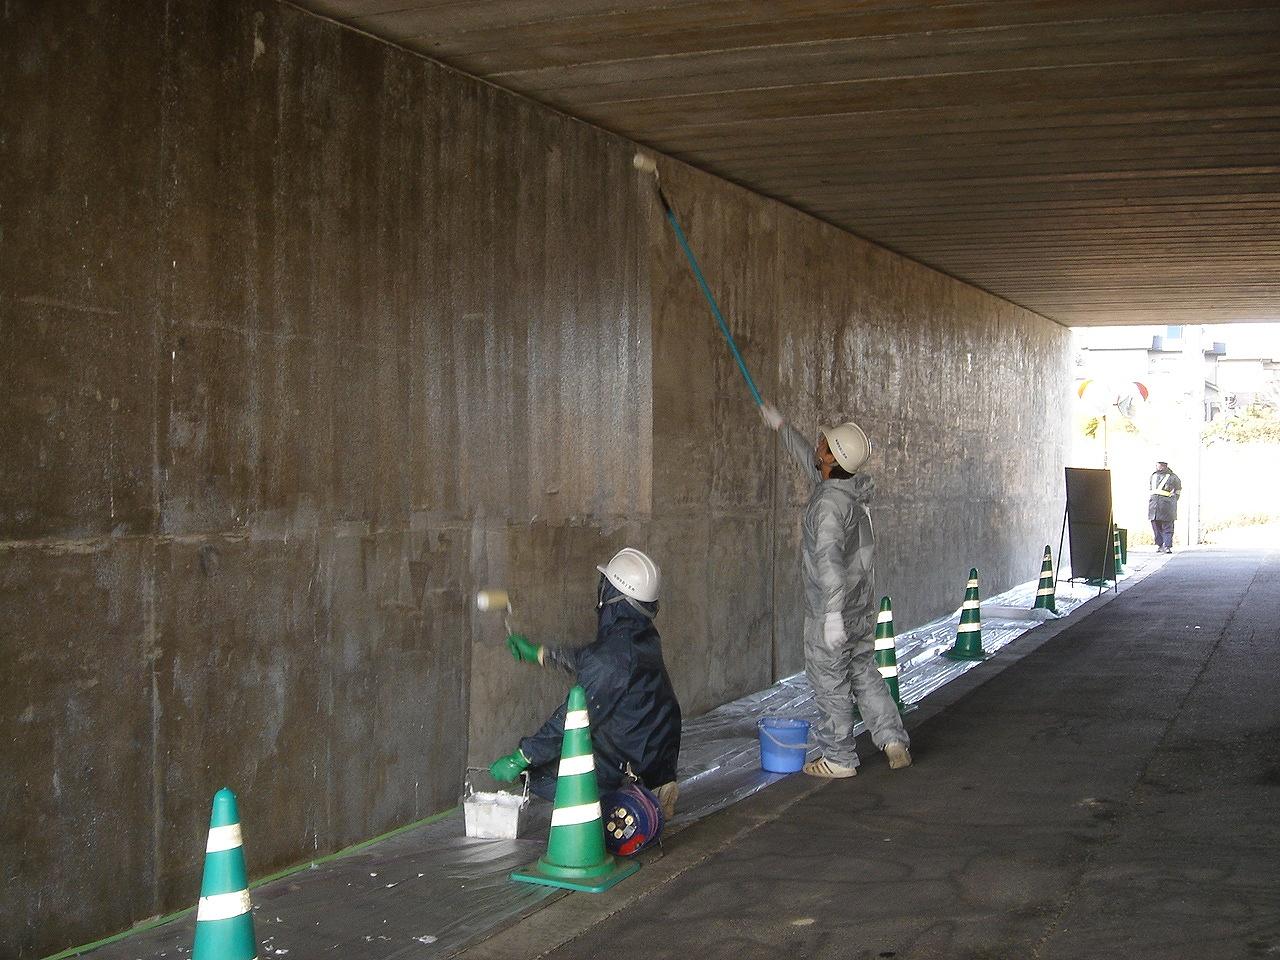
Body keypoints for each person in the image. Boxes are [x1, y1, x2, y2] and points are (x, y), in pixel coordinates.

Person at [759, 402, 911, 778]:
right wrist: (781, 427)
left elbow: (829, 562)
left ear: (831, 459)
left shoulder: (827, 507)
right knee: (863, 672)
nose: (818, 444)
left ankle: (839, 758)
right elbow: (809, 462)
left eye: (824, 444)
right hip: (859, 608)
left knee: (830, 683)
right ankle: (892, 739)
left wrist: (830, 615)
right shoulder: (847, 491)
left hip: (834, 611)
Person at [488, 547, 682, 818]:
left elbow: (573, 718)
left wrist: (523, 756)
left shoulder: (611, 658)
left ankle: (619, 805)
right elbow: (594, 658)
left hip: (631, 761)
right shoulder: (640, 635)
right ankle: (653, 791)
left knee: (540, 773)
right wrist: (542, 653)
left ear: (612, 596)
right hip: (656, 751)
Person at [1149, 459, 1182, 553]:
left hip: (1167, 506)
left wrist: (1173, 499)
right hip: (1154, 505)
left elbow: (1178, 490)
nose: (1158, 466)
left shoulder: (1173, 477)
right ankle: (1160, 545)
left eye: (1160, 464)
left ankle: (1167, 546)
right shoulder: (1153, 476)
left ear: (1164, 465)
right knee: (1156, 526)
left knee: (1167, 527)